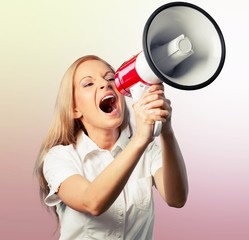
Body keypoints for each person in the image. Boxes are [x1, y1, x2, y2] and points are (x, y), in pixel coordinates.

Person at [34, 55, 189, 240]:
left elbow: (177, 199)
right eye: (88, 84)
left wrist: (167, 131)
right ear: (75, 109)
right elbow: (92, 202)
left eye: (110, 78)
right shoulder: (59, 157)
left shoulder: (147, 150)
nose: (105, 84)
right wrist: (140, 138)